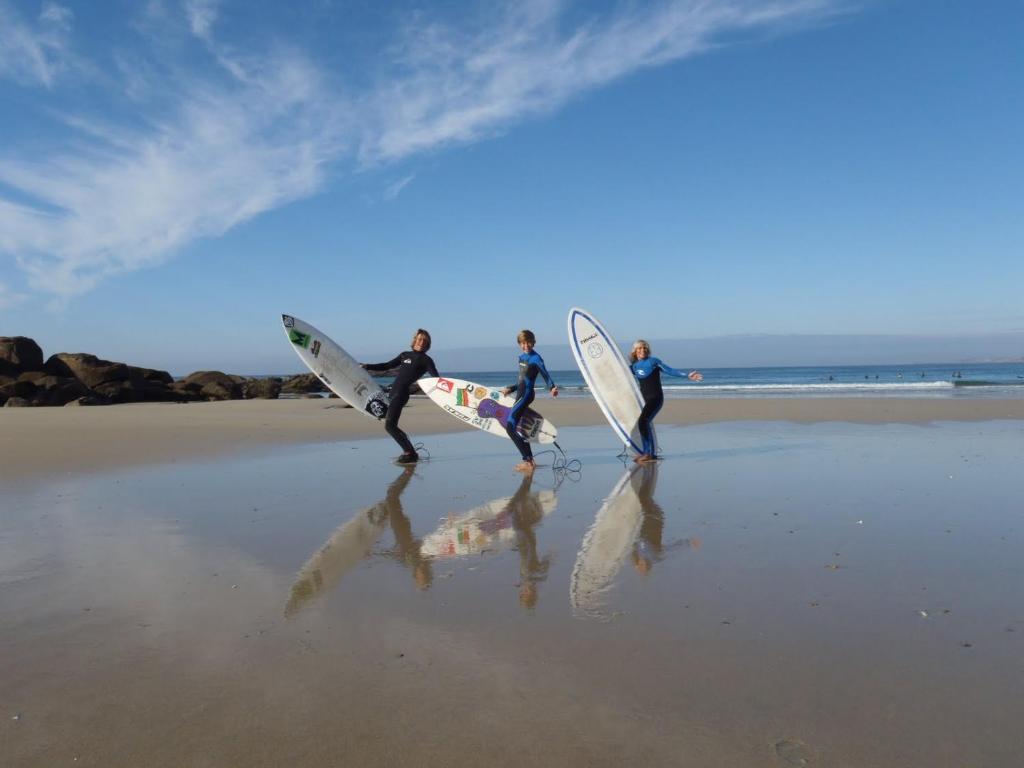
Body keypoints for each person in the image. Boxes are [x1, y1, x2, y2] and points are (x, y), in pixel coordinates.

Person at [363, 329, 439, 464]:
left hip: (401, 394)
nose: (421, 342)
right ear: (415, 340)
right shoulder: (405, 355)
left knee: (390, 426)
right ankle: (410, 451)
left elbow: (436, 379)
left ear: (428, 344)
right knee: (390, 424)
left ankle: (409, 452)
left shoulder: (426, 360)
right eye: (420, 339)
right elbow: (386, 366)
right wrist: (367, 366)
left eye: (425, 341)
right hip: (390, 392)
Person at [629, 339, 701, 462]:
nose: (643, 350)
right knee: (644, 424)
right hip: (645, 400)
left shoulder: (653, 362)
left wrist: (687, 375)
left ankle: (648, 454)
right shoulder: (634, 367)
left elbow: (670, 370)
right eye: (639, 348)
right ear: (635, 352)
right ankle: (648, 453)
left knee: (643, 422)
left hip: (656, 398)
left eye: (645, 348)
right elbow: (620, 377)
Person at [501, 330, 558, 473]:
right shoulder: (522, 357)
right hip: (521, 392)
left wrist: (551, 387)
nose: (526, 345)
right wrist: (512, 389)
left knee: (510, 427)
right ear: (519, 344)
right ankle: (530, 460)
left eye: (528, 342)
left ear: (533, 342)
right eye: (522, 343)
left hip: (526, 394)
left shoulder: (536, 358)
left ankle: (527, 461)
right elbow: (521, 379)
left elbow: (545, 374)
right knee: (516, 428)